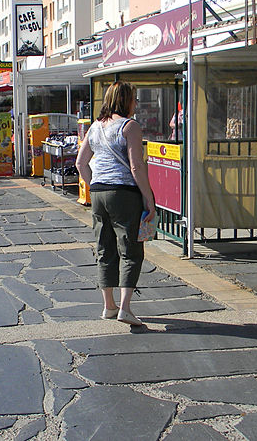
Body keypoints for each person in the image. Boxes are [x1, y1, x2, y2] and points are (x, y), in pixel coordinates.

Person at [75, 81, 155, 328]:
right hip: (123, 193)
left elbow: (81, 163)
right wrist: (149, 198)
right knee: (131, 249)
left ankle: (108, 306)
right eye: (134, 98)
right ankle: (125, 308)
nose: (136, 103)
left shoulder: (96, 127)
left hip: (98, 193)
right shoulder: (130, 127)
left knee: (104, 248)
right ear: (126, 100)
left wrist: (95, 186)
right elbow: (136, 166)